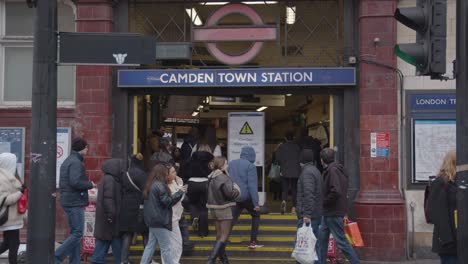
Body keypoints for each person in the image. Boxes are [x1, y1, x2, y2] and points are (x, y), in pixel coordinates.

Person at [55, 137, 95, 264]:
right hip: (74, 202)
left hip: (69, 199)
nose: (88, 149)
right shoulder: (76, 163)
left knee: (74, 233)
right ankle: (57, 257)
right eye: (86, 147)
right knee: (78, 233)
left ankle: (75, 261)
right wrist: (90, 185)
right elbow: (75, 182)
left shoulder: (69, 160)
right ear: (82, 148)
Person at [317, 148, 359, 264]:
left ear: (322, 160)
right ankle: (321, 261)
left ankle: (356, 262)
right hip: (329, 213)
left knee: (341, 242)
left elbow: (336, 191)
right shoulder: (337, 169)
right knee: (322, 240)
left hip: (333, 212)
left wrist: (324, 201)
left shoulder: (332, 171)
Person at [139, 164, 186, 264]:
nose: (167, 174)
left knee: (150, 247)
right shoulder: (161, 186)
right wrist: (180, 192)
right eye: (165, 172)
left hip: (152, 221)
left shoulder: (150, 184)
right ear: (161, 173)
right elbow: (168, 202)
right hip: (161, 221)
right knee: (166, 248)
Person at [206, 157, 240, 264]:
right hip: (224, 208)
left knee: (219, 235)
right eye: (226, 163)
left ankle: (224, 260)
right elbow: (230, 194)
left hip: (213, 208)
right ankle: (211, 260)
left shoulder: (211, 176)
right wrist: (237, 190)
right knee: (224, 236)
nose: (227, 165)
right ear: (221, 165)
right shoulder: (224, 178)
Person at [91, 158, 123, 264]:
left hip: (108, 219)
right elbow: (108, 199)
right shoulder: (110, 179)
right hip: (108, 219)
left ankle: (120, 260)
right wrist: (111, 214)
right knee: (106, 241)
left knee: (110, 240)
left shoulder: (108, 178)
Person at [228, 146, 261, 249]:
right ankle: (253, 241)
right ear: (251, 155)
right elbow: (252, 186)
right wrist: (256, 203)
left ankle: (222, 240)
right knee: (256, 215)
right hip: (246, 198)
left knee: (231, 220)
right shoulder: (250, 166)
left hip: (234, 196)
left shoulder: (232, 163)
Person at [428, 150, 458, 264]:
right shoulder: (441, 183)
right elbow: (436, 214)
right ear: (454, 163)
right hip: (449, 243)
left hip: (460, 241)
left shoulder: (460, 182)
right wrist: (448, 241)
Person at [120, 154, 149, 264]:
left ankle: (124, 260)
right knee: (145, 234)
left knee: (128, 234)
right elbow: (145, 191)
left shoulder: (125, 173)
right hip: (139, 207)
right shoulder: (142, 174)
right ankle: (147, 260)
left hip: (126, 206)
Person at [296, 149, 322, 262]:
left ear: (302, 160)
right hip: (315, 214)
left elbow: (308, 194)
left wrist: (307, 214)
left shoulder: (307, 173)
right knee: (314, 245)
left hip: (308, 216)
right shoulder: (315, 170)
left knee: (304, 246)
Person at [0, 153, 25, 264]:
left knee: (7, 243)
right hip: (8, 218)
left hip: (14, 217)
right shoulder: (2, 179)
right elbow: (3, 200)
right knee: (14, 244)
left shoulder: (11, 175)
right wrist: (20, 193)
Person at [185, 151, 214, 237]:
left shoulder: (190, 163)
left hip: (192, 183)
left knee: (191, 202)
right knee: (204, 208)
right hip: (205, 183)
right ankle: (203, 232)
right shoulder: (207, 164)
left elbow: (185, 174)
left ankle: (194, 215)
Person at [275, 130, 301, 214]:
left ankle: (284, 201)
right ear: (293, 138)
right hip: (296, 171)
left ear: (285, 138)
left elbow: (277, 159)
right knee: (294, 189)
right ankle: (294, 207)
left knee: (284, 189)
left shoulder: (282, 147)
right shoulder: (297, 147)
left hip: (284, 171)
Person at [165, 164, 185, 264]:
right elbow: (175, 199)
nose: (175, 173)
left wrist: (180, 183)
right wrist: (181, 189)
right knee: (175, 243)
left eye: (175, 171)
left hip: (175, 217)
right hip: (171, 218)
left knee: (175, 243)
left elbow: (180, 197)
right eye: (172, 172)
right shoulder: (164, 186)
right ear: (166, 175)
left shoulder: (173, 182)